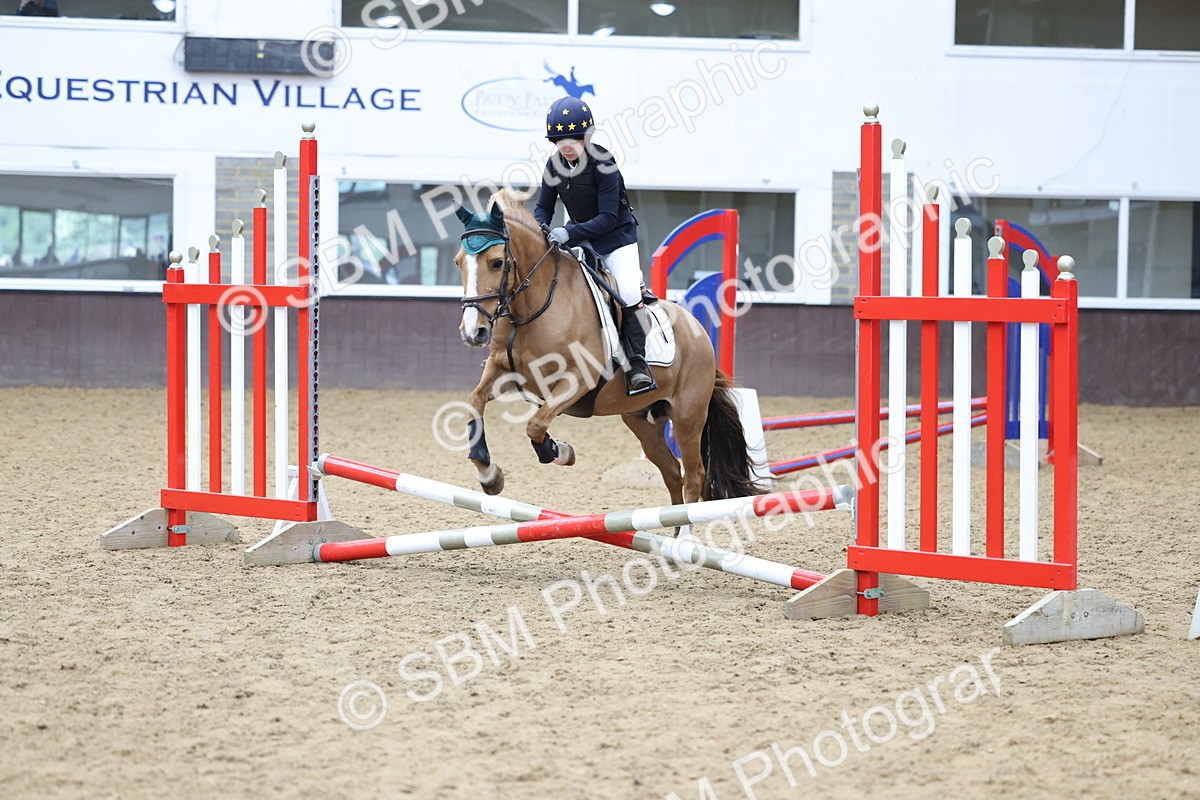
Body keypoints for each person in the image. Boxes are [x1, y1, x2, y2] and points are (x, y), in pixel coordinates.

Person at [533, 96, 657, 396]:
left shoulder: (604, 164)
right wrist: (541, 228)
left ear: (586, 137)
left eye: (573, 138)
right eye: (559, 139)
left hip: (616, 240)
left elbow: (607, 218)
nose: (566, 145)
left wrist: (568, 233)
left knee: (626, 291)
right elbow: (542, 208)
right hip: (579, 242)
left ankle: (638, 365)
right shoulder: (554, 165)